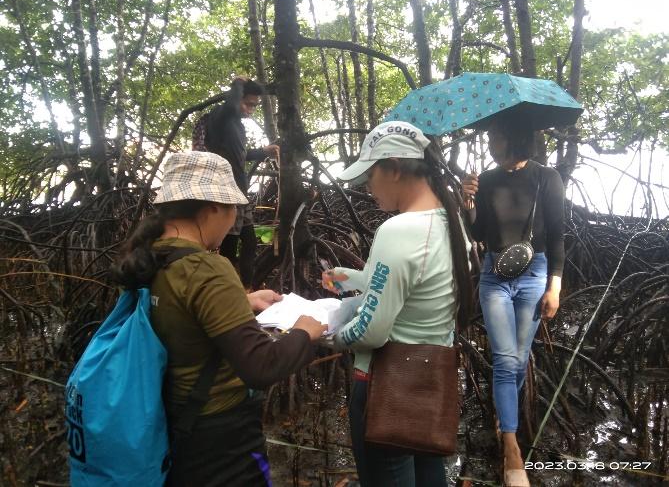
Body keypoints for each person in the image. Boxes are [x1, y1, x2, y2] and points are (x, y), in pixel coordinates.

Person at [110, 151, 326, 486]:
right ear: (213, 207)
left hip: (174, 423)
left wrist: (241, 301)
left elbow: (178, 312)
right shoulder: (206, 268)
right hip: (223, 437)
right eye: (233, 211)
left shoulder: (153, 257)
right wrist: (304, 331)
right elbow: (261, 366)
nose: (233, 222)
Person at [321, 122, 473, 487]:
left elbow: (370, 332)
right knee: (428, 478)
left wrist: (326, 336)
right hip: (429, 382)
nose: (367, 187)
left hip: (386, 386)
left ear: (395, 168)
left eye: (371, 174)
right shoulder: (452, 223)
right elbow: (418, 287)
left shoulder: (398, 231)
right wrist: (351, 278)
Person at [462, 115, 565, 487]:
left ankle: (504, 416)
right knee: (506, 360)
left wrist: (554, 286)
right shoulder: (487, 180)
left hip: (534, 274)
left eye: (497, 138)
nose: (491, 144)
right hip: (494, 276)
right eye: (490, 138)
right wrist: (468, 201)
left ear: (515, 138)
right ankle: (511, 446)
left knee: (518, 360)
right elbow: (477, 231)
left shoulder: (546, 178)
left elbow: (557, 236)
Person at [195, 76, 280, 289]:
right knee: (229, 246)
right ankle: (228, 291)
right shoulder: (222, 117)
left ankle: (246, 288)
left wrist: (263, 151)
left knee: (250, 242)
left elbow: (239, 156)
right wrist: (238, 84)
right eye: (248, 104)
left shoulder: (238, 128)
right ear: (237, 99)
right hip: (225, 192)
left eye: (255, 106)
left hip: (240, 193)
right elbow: (230, 105)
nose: (251, 110)